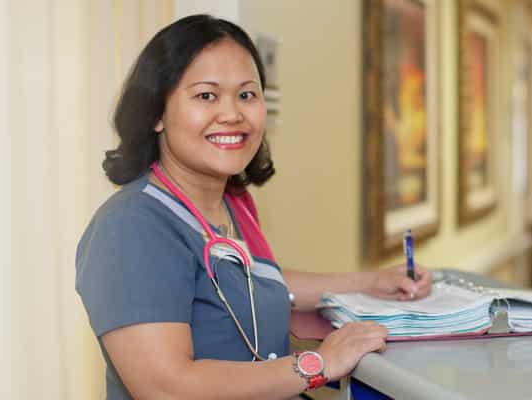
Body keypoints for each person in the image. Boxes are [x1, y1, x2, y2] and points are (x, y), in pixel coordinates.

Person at [75, 15, 434, 399]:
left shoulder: (233, 203)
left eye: (247, 94)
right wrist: (318, 363)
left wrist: (370, 282)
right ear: (157, 113)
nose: (232, 114)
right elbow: (167, 388)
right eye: (206, 96)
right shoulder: (132, 227)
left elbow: (251, 281)